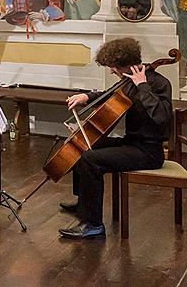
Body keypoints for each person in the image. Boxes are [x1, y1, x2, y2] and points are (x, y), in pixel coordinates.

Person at [59, 38, 172, 239]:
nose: (112, 71)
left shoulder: (159, 83)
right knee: (84, 145)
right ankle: (84, 205)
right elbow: (110, 96)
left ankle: (93, 224)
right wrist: (87, 97)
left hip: (149, 152)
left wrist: (143, 86)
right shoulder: (128, 82)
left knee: (90, 159)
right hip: (132, 143)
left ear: (126, 65)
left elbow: (162, 118)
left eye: (113, 67)